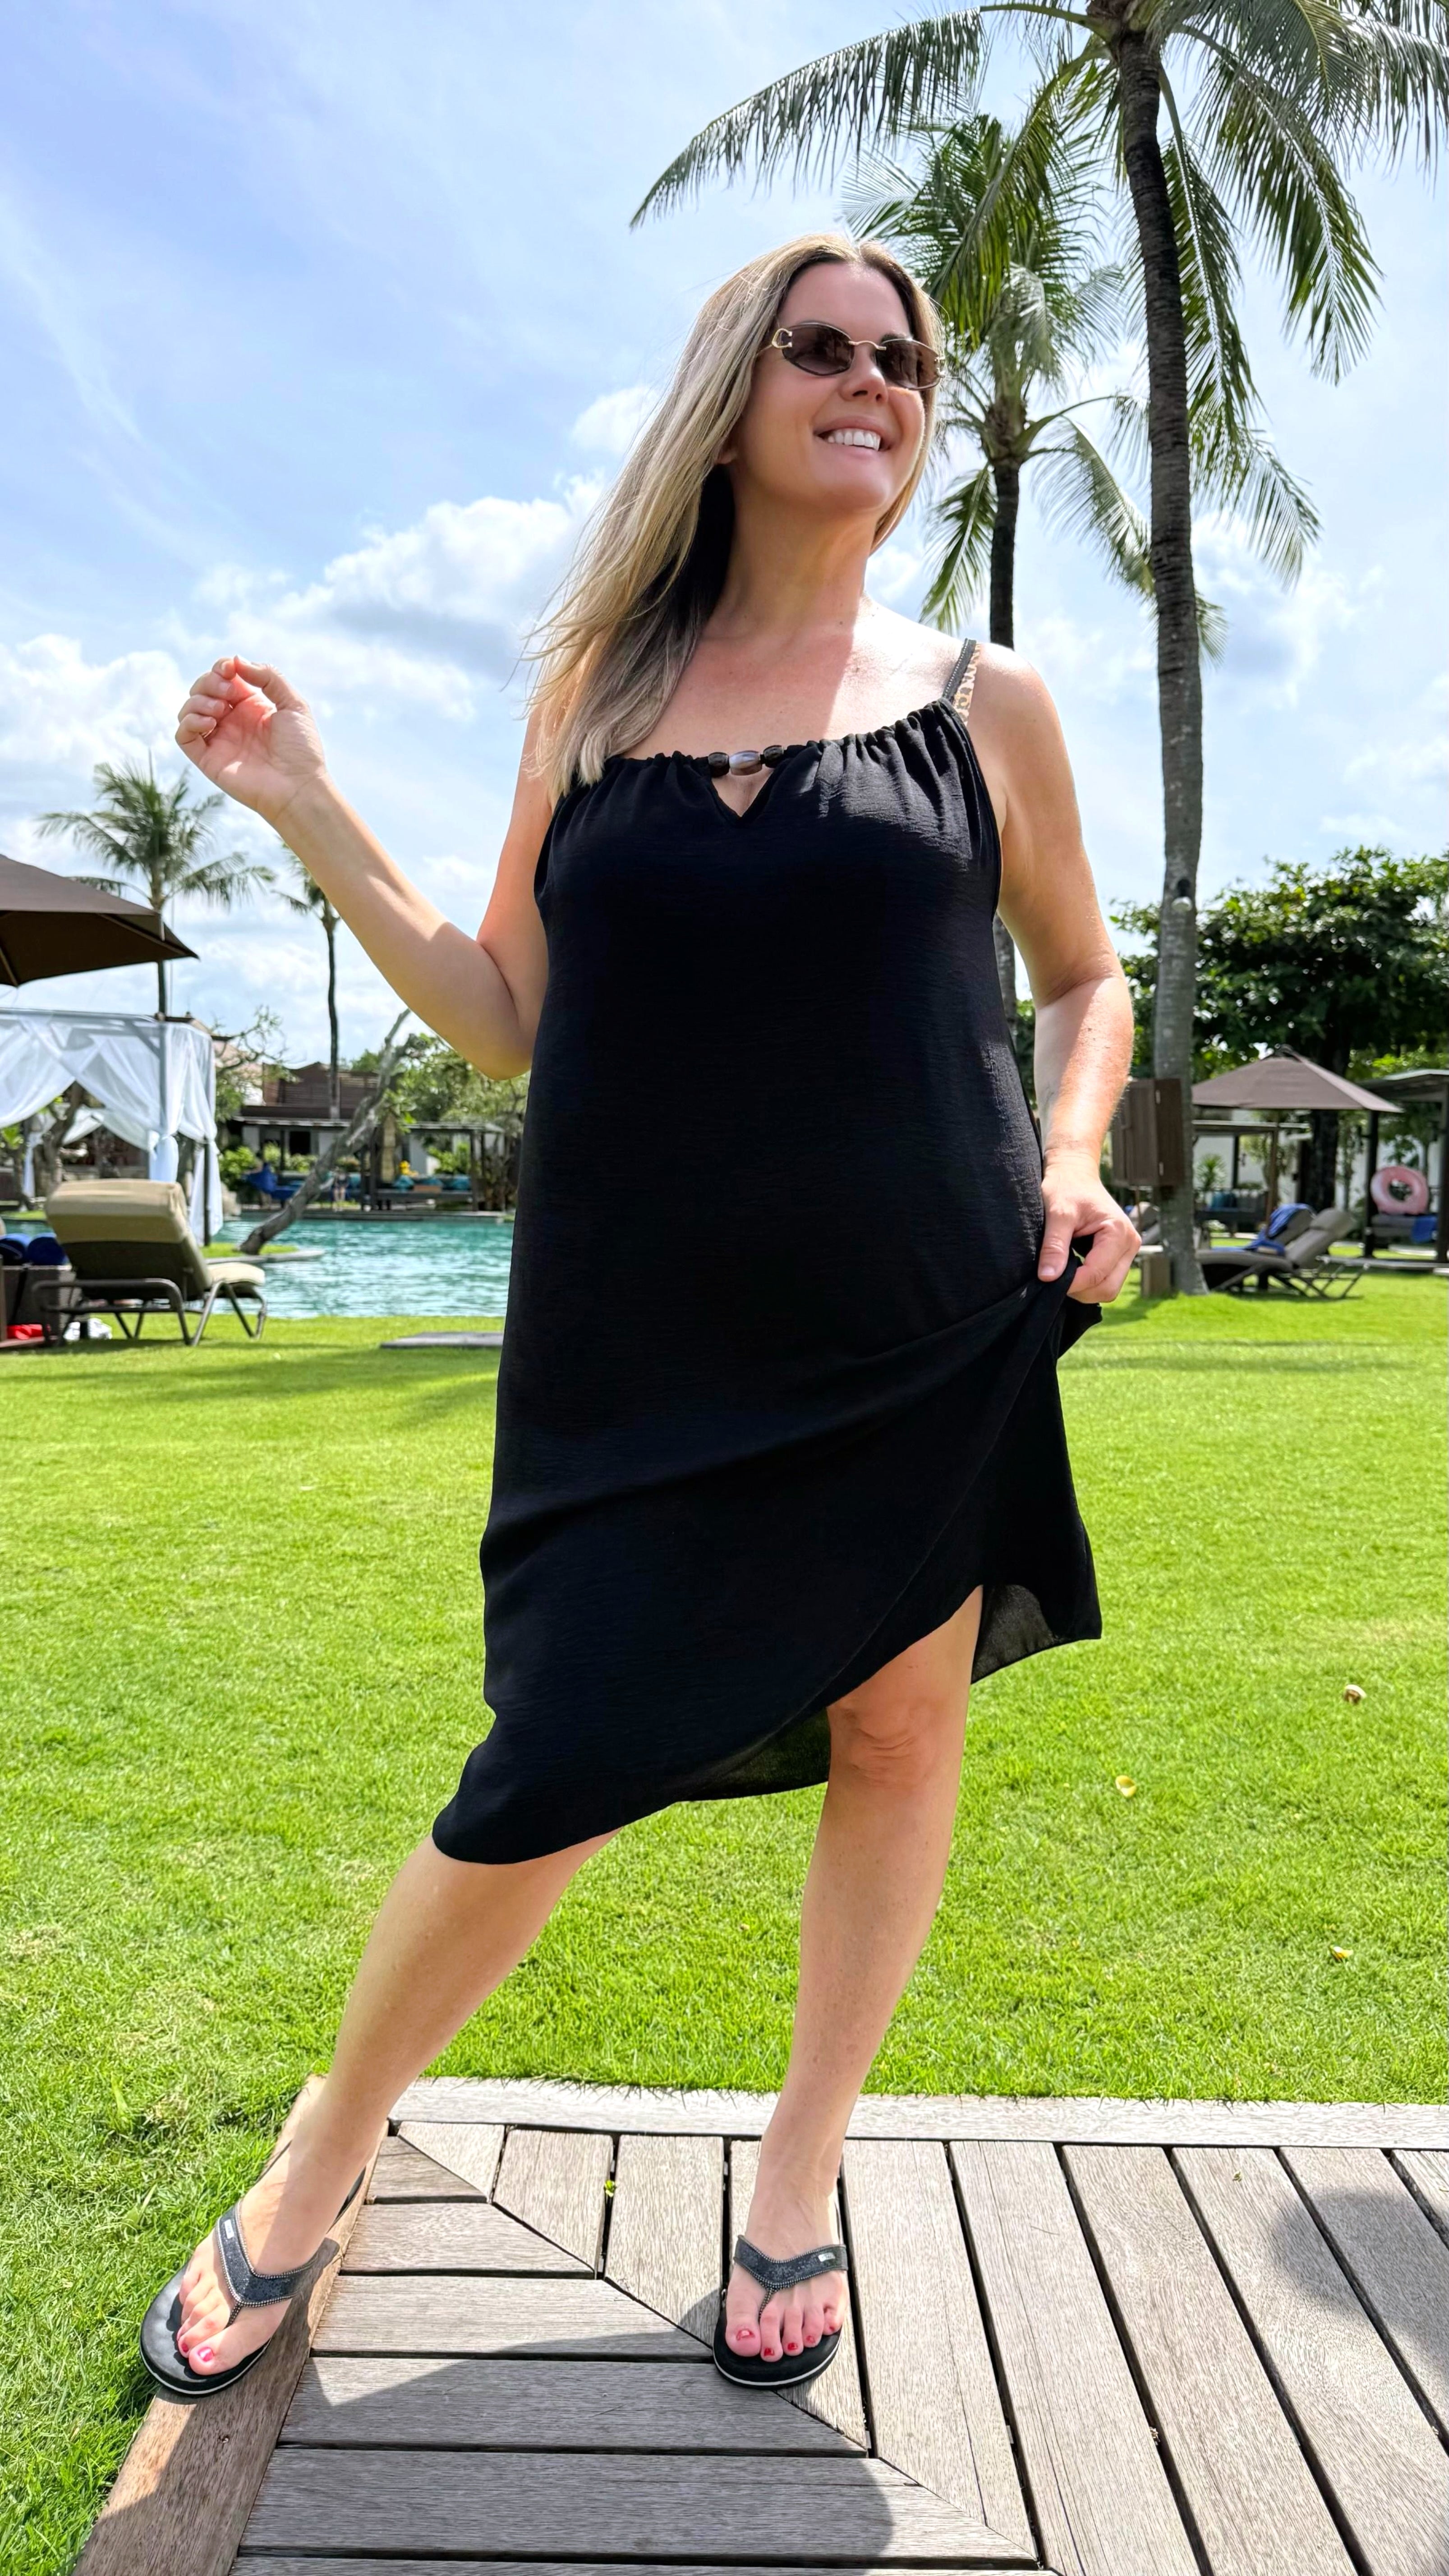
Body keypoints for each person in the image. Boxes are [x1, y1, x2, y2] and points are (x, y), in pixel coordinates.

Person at [142, 230, 1137, 2404]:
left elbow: (1086, 978)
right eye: (823, 348)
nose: (874, 382)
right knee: (558, 1755)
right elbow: (505, 1014)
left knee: (900, 1729)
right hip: (639, 1337)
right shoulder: (596, 696)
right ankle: (327, 2146)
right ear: (730, 393)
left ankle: (800, 2170)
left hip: (922, 1313)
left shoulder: (988, 703)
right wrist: (309, 805)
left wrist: (1074, 1155)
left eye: (905, 360)